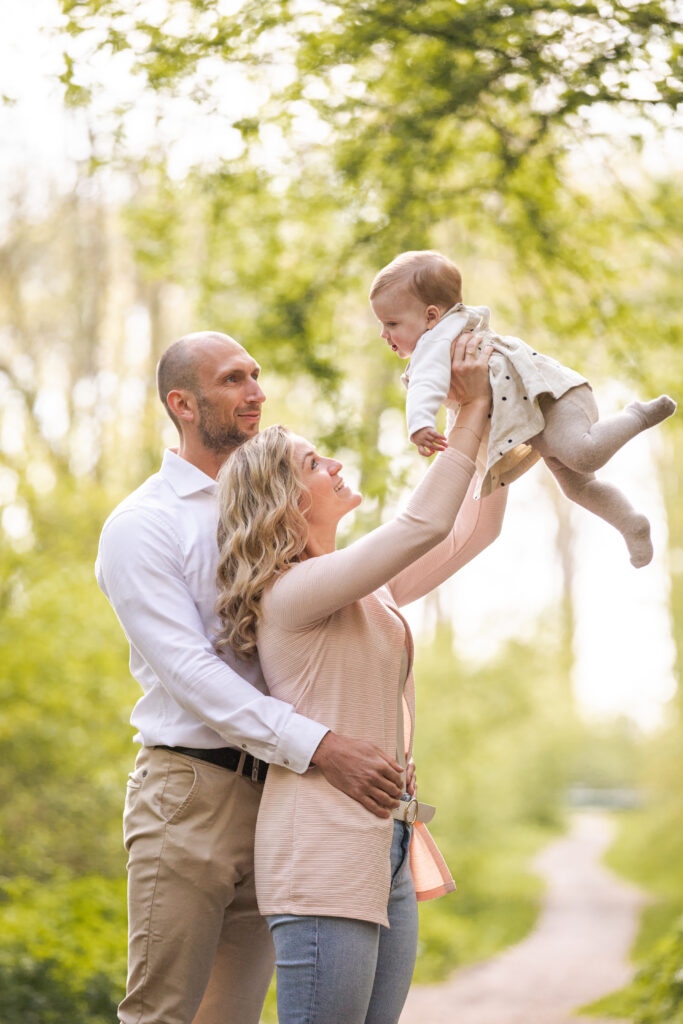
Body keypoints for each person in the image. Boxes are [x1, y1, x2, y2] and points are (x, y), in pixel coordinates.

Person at [95, 331, 409, 1024]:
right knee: (163, 1014)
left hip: (280, 795)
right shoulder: (142, 525)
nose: (256, 392)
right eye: (233, 379)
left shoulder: (273, 505)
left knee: (229, 1014)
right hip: (190, 794)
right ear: (182, 403)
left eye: (256, 375)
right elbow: (189, 673)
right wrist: (323, 744)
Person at [214, 333, 506, 1024]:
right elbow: (420, 524)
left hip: (386, 840)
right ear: (283, 499)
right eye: (313, 463)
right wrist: (464, 416)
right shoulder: (292, 592)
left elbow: (470, 530)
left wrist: (496, 421)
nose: (334, 463)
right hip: (320, 852)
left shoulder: (363, 591)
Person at [370, 249, 676, 568]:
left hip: (551, 400)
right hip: (541, 421)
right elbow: (458, 404)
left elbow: (426, 385)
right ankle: (632, 524)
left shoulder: (434, 343)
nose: (383, 334)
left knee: (584, 455)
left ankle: (636, 415)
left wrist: (419, 424)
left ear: (432, 316)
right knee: (579, 488)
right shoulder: (453, 331)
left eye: (391, 323)